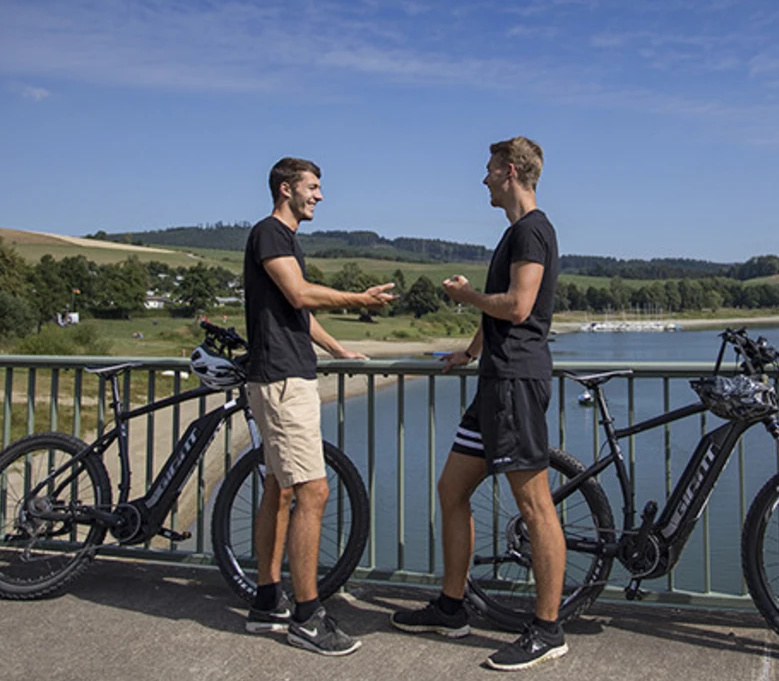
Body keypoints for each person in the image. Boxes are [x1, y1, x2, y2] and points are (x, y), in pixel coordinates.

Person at [391, 137, 567, 671]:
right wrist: (468, 352)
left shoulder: (533, 231)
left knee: (535, 505)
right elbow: (499, 317)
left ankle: (548, 628)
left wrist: (466, 297)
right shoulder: (514, 233)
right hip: (493, 380)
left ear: (509, 172)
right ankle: (452, 605)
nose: (483, 178)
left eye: (489, 169)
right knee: (452, 489)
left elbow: (517, 307)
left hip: (516, 382)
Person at [242, 157, 396, 656]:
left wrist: (338, 350)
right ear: (286, 189)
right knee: (313, 491)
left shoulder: (284, 239)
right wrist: (359, 299)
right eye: (313, 187)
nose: (320, 196)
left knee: (279, 487)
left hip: (285, 375)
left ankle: (268, 600)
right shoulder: (270, 233)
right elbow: (299, 292)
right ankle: (307, 617)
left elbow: (298, 313)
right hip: (283, 382)